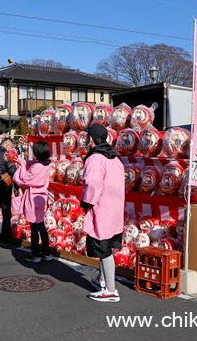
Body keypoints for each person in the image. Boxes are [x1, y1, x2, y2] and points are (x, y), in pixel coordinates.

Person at [81, 123, 125, 303]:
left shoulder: (95, 158)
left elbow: (93, 185)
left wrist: (86, 202)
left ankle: (111, 289)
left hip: (101, 208)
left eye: (86, 138)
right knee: (106, 245)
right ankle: (101, 280)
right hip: (114, 208)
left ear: (91, 139)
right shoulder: (115, 158)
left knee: (103, 247)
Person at [13, 141, 53, 263]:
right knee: (41, 226)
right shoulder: (47, 164)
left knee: (34, 226)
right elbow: (34, 163)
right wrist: (23, 162)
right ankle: (46, 252)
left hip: (33, 197)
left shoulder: (37, 167)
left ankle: (35, 254)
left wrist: (22, 166)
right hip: (42, 197)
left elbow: (24, 178)